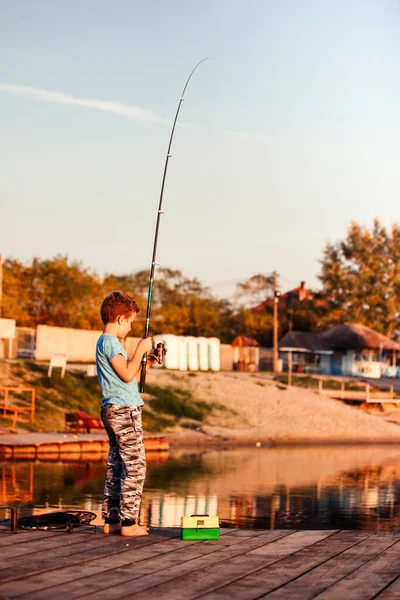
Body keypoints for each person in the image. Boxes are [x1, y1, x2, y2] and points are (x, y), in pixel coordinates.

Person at [96, 291, 154, 537]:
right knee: (136, 465)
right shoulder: (111, 342)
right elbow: (128, 375)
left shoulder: (103, 342)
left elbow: (126, 372)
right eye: (130, 321)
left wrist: (146, 361)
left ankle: (112, 520)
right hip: (124, 410)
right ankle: (129, 523)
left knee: (117, 464)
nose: (131, 327)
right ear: (120, 318)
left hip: (112, 408)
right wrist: (140, 349)